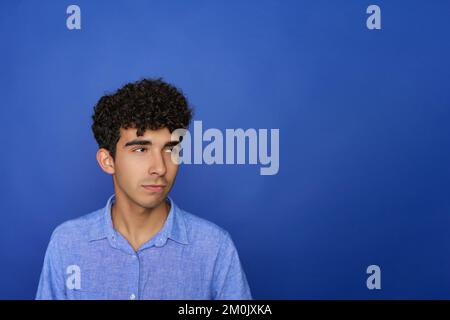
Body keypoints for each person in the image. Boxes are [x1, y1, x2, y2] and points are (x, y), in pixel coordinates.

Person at [36, 78, 252, 300]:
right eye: (141, 149)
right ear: (107, 161)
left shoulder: (215, 248)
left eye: (170, 149)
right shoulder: (67, 243)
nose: (159, 168)